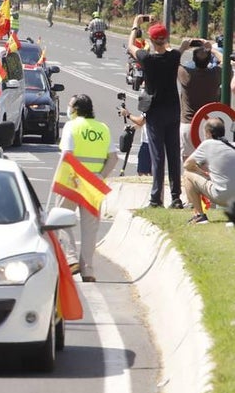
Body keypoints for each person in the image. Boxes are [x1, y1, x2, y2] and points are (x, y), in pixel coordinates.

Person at [128, 17, 191, 208]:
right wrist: (184, 44)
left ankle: (156, 198)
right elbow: (178, 48)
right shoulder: (174, 57)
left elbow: (131, 45)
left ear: (150, 40)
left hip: (155, 111)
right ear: (166, 39)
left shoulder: (147, 59)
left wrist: (136, 24)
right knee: (173, 154)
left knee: (157, 156)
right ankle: (176, 197)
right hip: (173, 110)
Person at [56, 94, 114, 282]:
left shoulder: (71, 126)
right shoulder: (102, 128)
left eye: (70, 105)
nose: (68, 108)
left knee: (60, 219)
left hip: (73, 181)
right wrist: (101, 176)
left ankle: (71, 258)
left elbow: (67, 154)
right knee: (90, 229)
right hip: (94, 183)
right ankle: (88, 270)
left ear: (76, 109)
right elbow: (113, 157)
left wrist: (59, 178)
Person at [182, 117, 235, 224]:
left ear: (209, 133)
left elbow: (187, 165)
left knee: (187, 174)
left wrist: (202, 173)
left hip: (221, 196)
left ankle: (199, 216)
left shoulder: (207, 144)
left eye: (204, 133)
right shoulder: (233, 145)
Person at [178, 40, 221, 160]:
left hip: (189, 124)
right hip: (208, 125)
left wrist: (183, 47)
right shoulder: (215, 74)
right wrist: (211, 49)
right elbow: (225, 61)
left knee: (188, 163)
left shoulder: (186, 75)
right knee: (208, 163)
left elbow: (173, 62)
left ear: (193, 60)